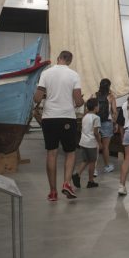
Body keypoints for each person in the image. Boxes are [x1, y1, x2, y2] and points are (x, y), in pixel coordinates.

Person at [33, 50, 84, 201]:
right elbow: (78, 101)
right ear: (69, 61)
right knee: (70, 152)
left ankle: (53, 192)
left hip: (49, 118)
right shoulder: (74, 75)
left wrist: (45, 95)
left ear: (58, 59)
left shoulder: (46, 73)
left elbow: (37, 98)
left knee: (51, 153)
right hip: (67, 117)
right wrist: (81, 100)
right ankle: (66, 183)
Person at [72, 98, 102, 189]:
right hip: (91, 143)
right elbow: (96, 132)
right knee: (92, 161)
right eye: (98, 105)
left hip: (83, 142)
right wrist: (99, 142)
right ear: (95, 107)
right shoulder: (96, 118)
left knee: (86, 160)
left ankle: (77, 174)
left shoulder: (85, 116)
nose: (99, 107)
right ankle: (90, 181)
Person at [95, 78, 117, 174]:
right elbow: (114, 112)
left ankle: (94, 169)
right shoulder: (111, 97)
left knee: (95, 146)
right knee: (105, 147)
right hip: (107, 123)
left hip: (96, 122)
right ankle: (107, 166)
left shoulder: (95, 95)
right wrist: (115, 123)